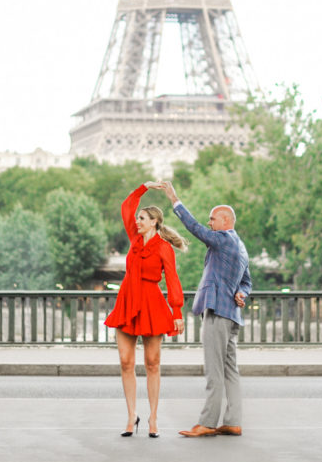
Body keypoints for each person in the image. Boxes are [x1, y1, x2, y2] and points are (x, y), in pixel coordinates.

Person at [149, 180, 252, 438]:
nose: (209, 223)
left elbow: (194, 228)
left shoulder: (223, 240)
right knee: (230, 370)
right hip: (232, 315)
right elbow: (247, 282)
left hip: (217, 312)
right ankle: (233, 421)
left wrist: (175, 200)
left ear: (225, 221)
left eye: (213, 219)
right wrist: (242, 293)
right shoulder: (240, 246)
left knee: (214, 370)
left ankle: (207, 422)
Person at [103, 182, 187, 438]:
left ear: (154, 222)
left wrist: (177, 311)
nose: (137, 221)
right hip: (127, 301)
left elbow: (172, 279)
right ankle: (131, 416)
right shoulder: (134, 239)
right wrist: (143, 187)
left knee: (152, 363)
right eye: (138, 218)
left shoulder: (163, 248)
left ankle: (153, 418)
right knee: (126, 362)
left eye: (142, 218)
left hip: (151, 303)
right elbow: (126, 206)